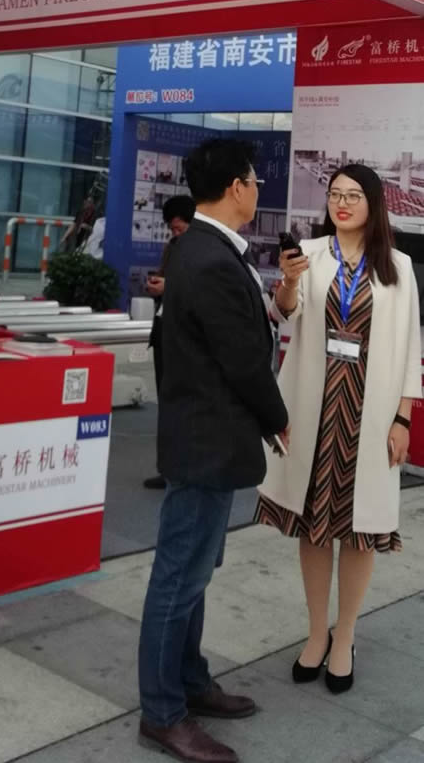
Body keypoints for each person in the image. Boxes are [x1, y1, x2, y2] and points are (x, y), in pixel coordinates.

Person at [138, 139, 289, 763]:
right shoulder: (211, 259)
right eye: (254, 181)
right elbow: (243, 359)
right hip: (205, 442)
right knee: (178, 578)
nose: (257, 191)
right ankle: (162, 713)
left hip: (205, 437)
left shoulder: (199, 248)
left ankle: (190, 681)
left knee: (194, 574)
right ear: (235, 187)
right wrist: (278, 418)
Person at [256, 164, 421, 694]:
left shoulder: (397, 265)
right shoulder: (311, 254)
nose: (342, 203)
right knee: (313, 524)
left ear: (373, 203)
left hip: (370, 412)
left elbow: (411, 345)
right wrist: (289, 282)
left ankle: (344, 634)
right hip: (316, 406)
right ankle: (315, 632)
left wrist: (403, 417)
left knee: (359, 528)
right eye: (334, 194)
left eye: (353, 195)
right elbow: (285, 314)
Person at [143, 194, 196, 490]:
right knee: (166, 401)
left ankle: (182, 467)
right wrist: (158, 285)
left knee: (182, 404)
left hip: (185, 335)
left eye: (179, 228)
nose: (175, 234)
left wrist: (171, 286)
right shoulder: (172, 247)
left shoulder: (203, 250)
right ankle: (167, 467)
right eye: (172, 229)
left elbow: (203, 289)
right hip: (164, 329)